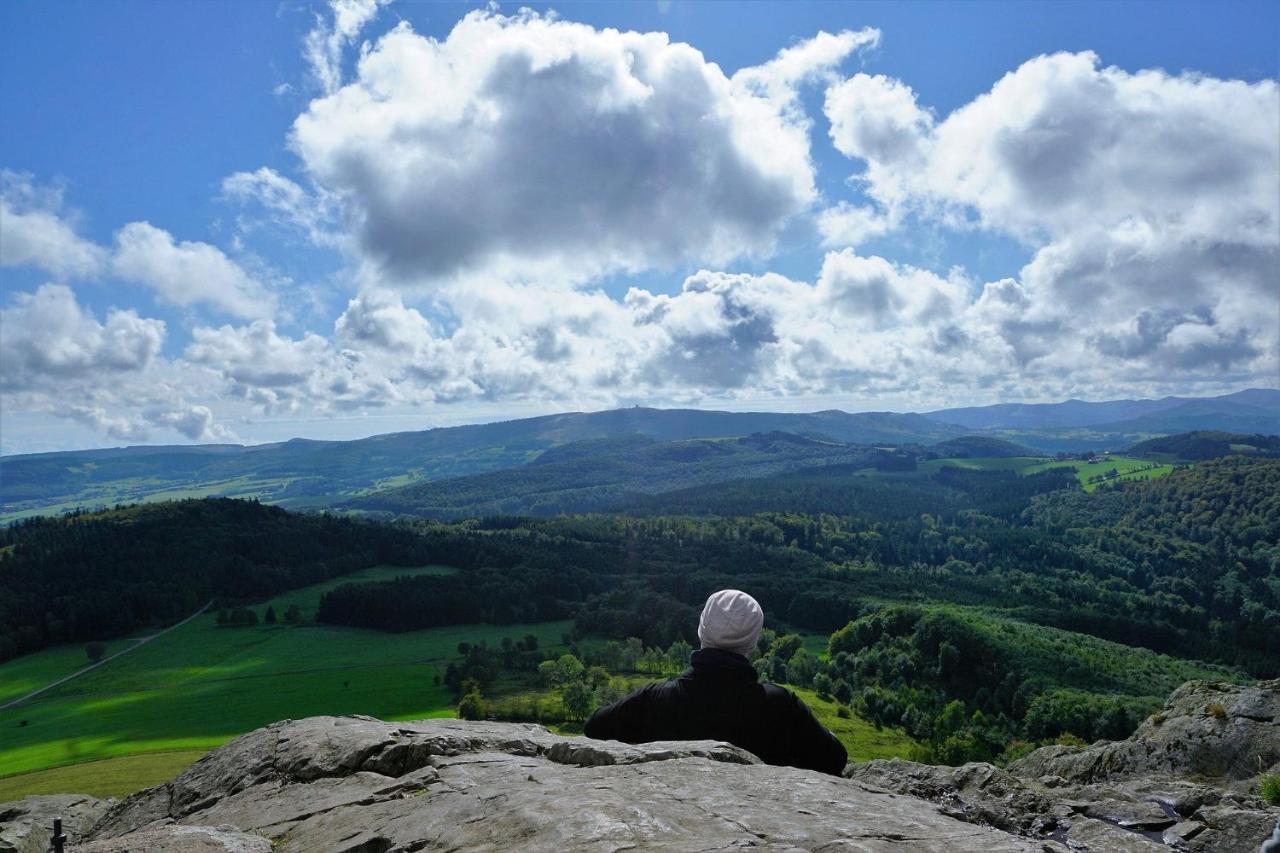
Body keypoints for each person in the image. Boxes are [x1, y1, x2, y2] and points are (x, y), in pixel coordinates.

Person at [584, 589, 848, 776]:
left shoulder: (654, 700)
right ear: (753, 643)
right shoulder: (780, 705)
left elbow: (594, 726)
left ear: (701, 631)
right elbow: (834, 759)